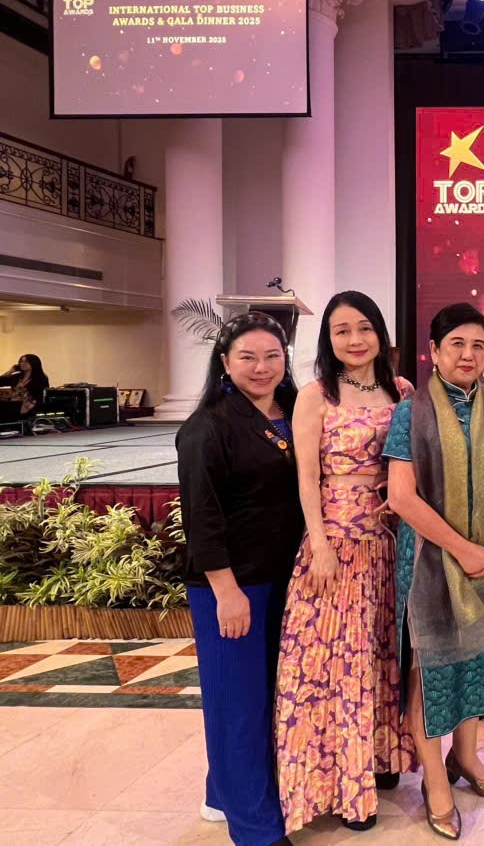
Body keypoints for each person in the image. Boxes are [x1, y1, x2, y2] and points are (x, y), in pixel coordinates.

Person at [274, 291, 416, 834]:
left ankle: (379, 759)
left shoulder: (402, 391)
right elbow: (306, 477)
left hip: (389, 544)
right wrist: (320, 545)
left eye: (364, 328)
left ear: (380, 333)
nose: (355, 340)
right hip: (336, 545)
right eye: (342, 331)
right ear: (328, 340)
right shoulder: (315, 395)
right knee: (334, 666)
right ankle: (339, 784)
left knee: (381, 657)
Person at [385, 303, 484, 840]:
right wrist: (462, 548)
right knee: (433, 669)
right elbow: (402, 497)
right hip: (431, 562)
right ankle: (436, 780)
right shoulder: (411, 413)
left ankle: (466, 756)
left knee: (479, 662)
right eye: (457, 344)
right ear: (434, 351)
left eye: (478, 345)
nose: (468, 355)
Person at [176, 312, 303, 846]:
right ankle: (255, 829)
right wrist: (226, 592)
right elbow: (201, 517)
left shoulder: (293, 412)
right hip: (233, 586)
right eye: (247, 357)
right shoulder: (207, 427)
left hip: (285, 580)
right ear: (225, 362)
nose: (261, 367)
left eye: (272, 356)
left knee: (266, 698)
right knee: (239, 706)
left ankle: (220, 792)